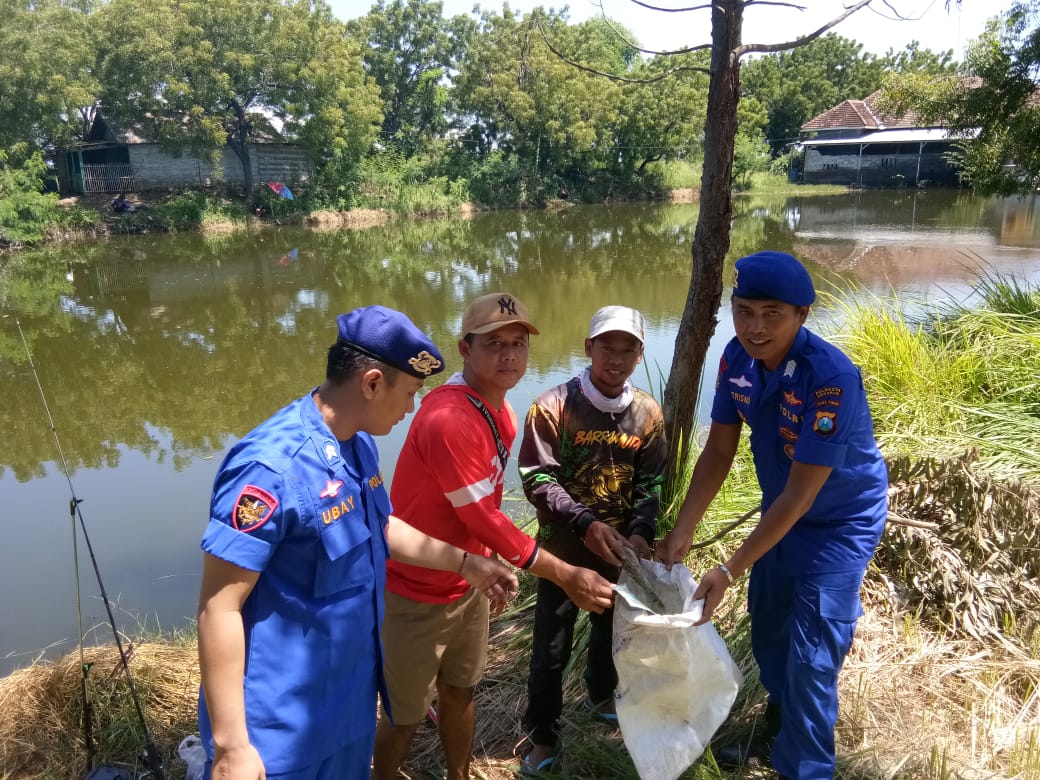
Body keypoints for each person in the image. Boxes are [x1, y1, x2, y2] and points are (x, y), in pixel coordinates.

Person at [196, 305, 519, 780]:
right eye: (408, 392)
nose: (411, 408)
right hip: (277, 729)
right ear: (371, 383)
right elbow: (219, 606)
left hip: (347, 706)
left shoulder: (357, 442)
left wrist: (464, 562)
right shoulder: (269, 470)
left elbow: (379, 525)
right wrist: (231, 746)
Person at [655, 251, 888, 780]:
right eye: (745, 311)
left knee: (812, 656)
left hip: (835, 525)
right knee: (770, 627)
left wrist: (728, 569)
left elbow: (803, 496)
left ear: (802, 314)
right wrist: (684, 528)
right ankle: (780, 728)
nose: (756, 328)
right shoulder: (735, 358)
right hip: (778, 514)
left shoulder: (830, 379)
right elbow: (718, 451)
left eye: (772, 313)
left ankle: (804, 767)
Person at [372, 292, 616, 780]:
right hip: (416, 590)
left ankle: (458, 776)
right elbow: (485, 519)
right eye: (494, 343)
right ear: (465, 349)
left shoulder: (498, 412)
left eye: (519, 343)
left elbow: (477, 511)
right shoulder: (449, 419)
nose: (509, 355)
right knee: (405, 716)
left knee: (461, 690)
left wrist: (490, 568)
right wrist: (565, 572)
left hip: (468, 585)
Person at [518, 305, 668, 773]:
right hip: (563, 555)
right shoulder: (552, 407)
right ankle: (542, 733)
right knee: (551, 649)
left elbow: (653, 481)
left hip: (620, 553)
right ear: (588, 348)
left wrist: (642, 532)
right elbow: (537, 478)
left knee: (611, 634)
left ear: (641, 355)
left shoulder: (647, 413)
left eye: (628, 350)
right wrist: (585, 524)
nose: (616, 359)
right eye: (607, 347)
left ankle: (601, 695)